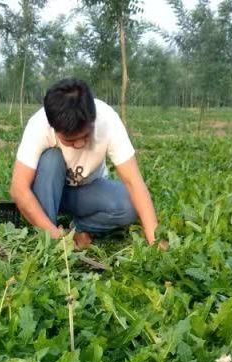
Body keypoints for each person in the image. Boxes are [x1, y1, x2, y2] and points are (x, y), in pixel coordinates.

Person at [9, 78, 162, 249]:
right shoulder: (39, 125)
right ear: (54, 127)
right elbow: (18, 189)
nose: (80, 144)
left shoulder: (107, 120)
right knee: (52, 158)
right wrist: (56, 237)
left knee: (129, 205)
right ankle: (48, 238)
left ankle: (77, 228)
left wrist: (155, 242)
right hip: (47, 192)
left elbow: (134, 182)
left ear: (93, 117)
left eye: (86, 135)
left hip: (85, 193)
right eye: (70, 140)